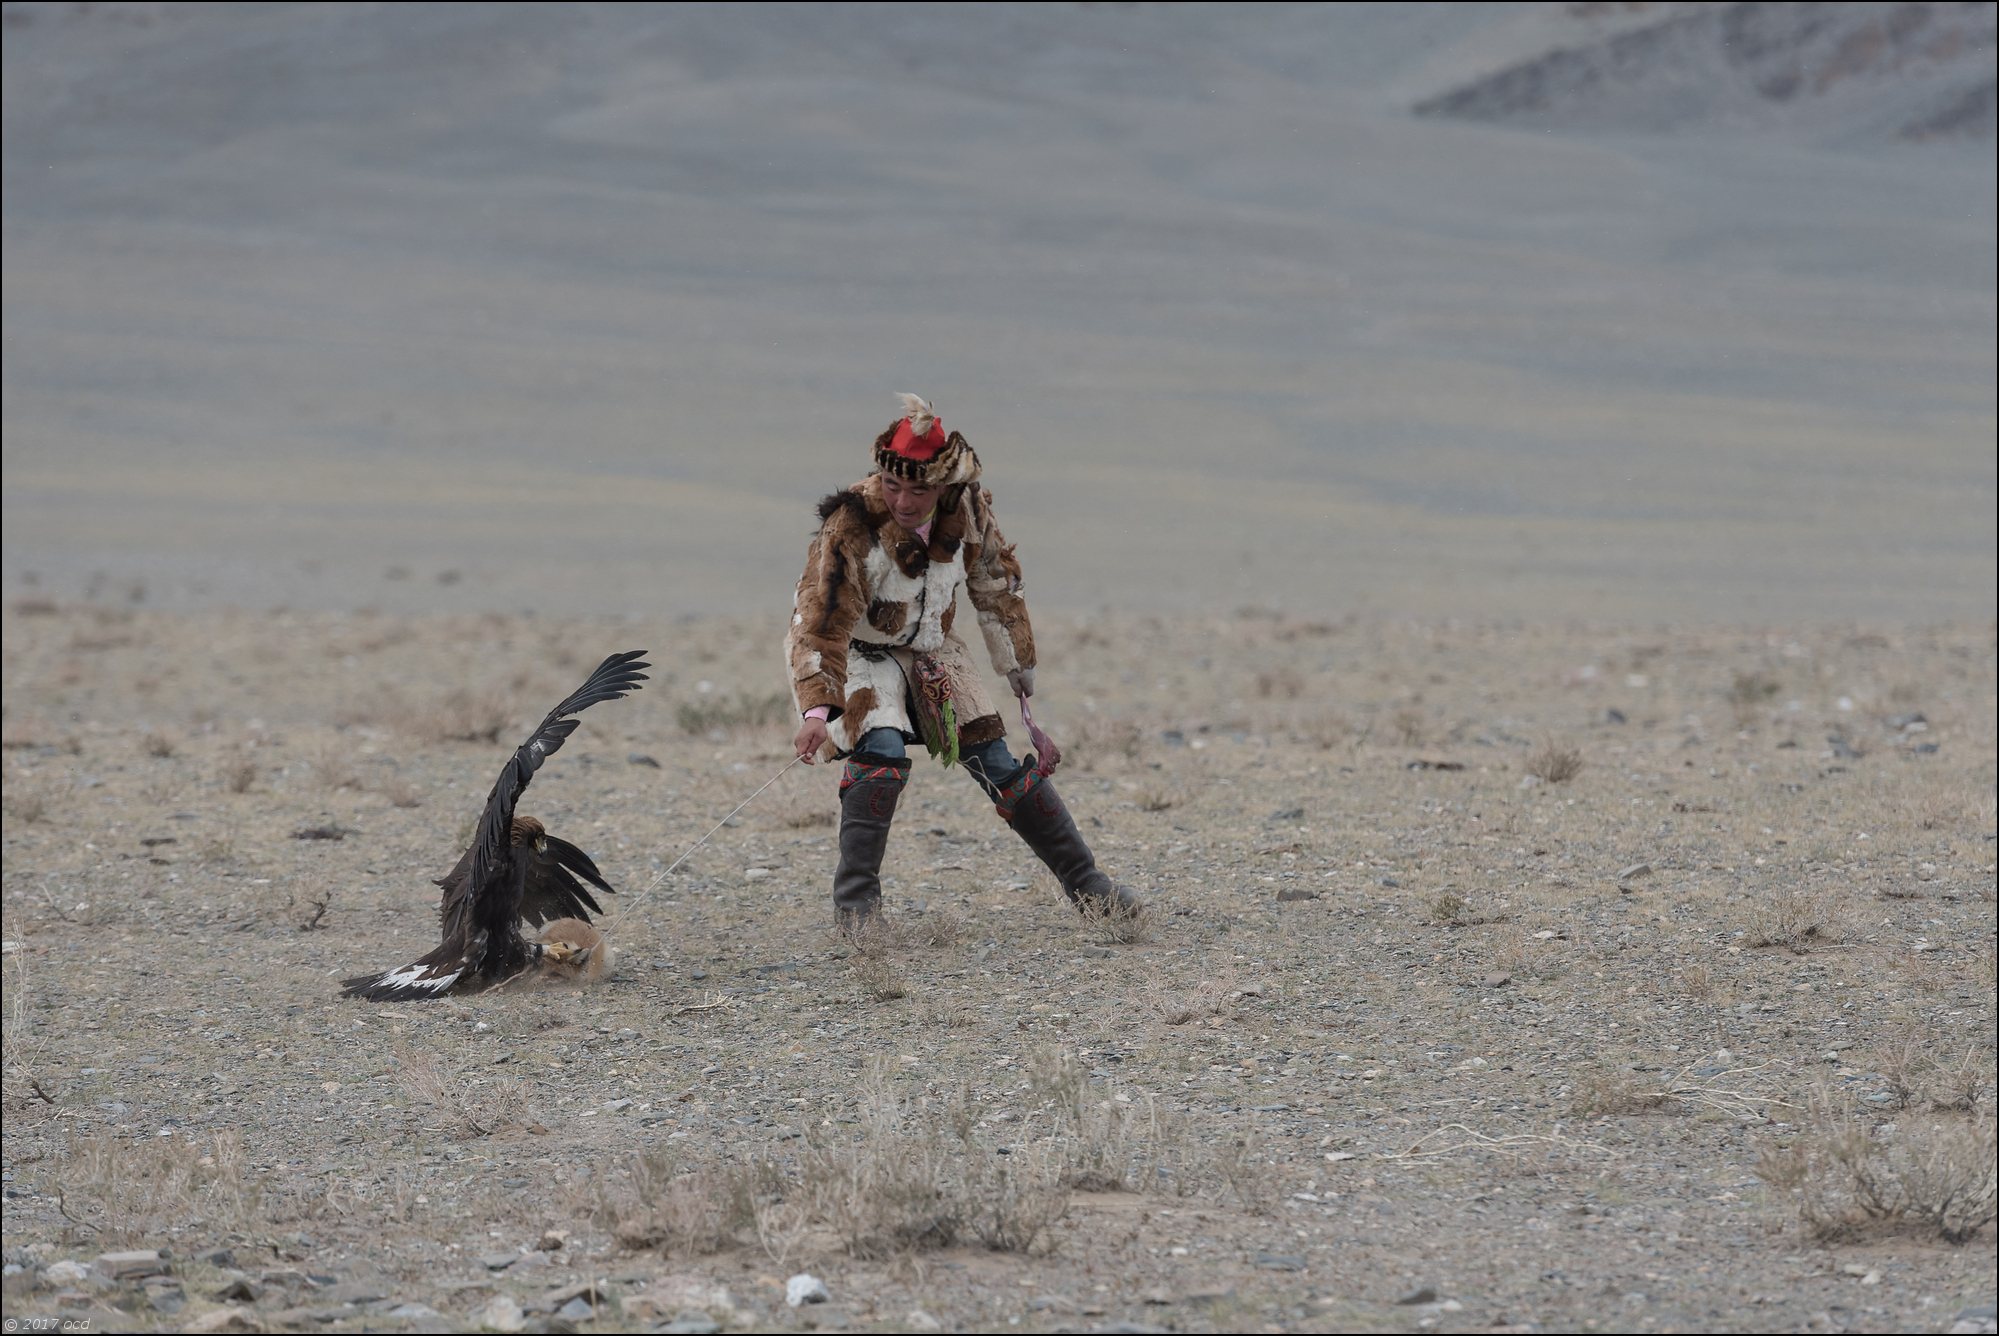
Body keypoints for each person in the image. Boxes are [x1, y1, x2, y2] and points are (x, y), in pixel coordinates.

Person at [786, 393, 1143, 936]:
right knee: (879, 754)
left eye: (920, 489)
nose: (904, 500)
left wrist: (1017, 668)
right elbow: (822, 622)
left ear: (945, 485)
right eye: (893, 485)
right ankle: (857, 908)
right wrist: (817, 710)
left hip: (933, 649)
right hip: (857, 654)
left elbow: (996, 585)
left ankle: (1089, 885)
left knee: (998, 762)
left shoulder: (971, 511)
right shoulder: (851, 525)